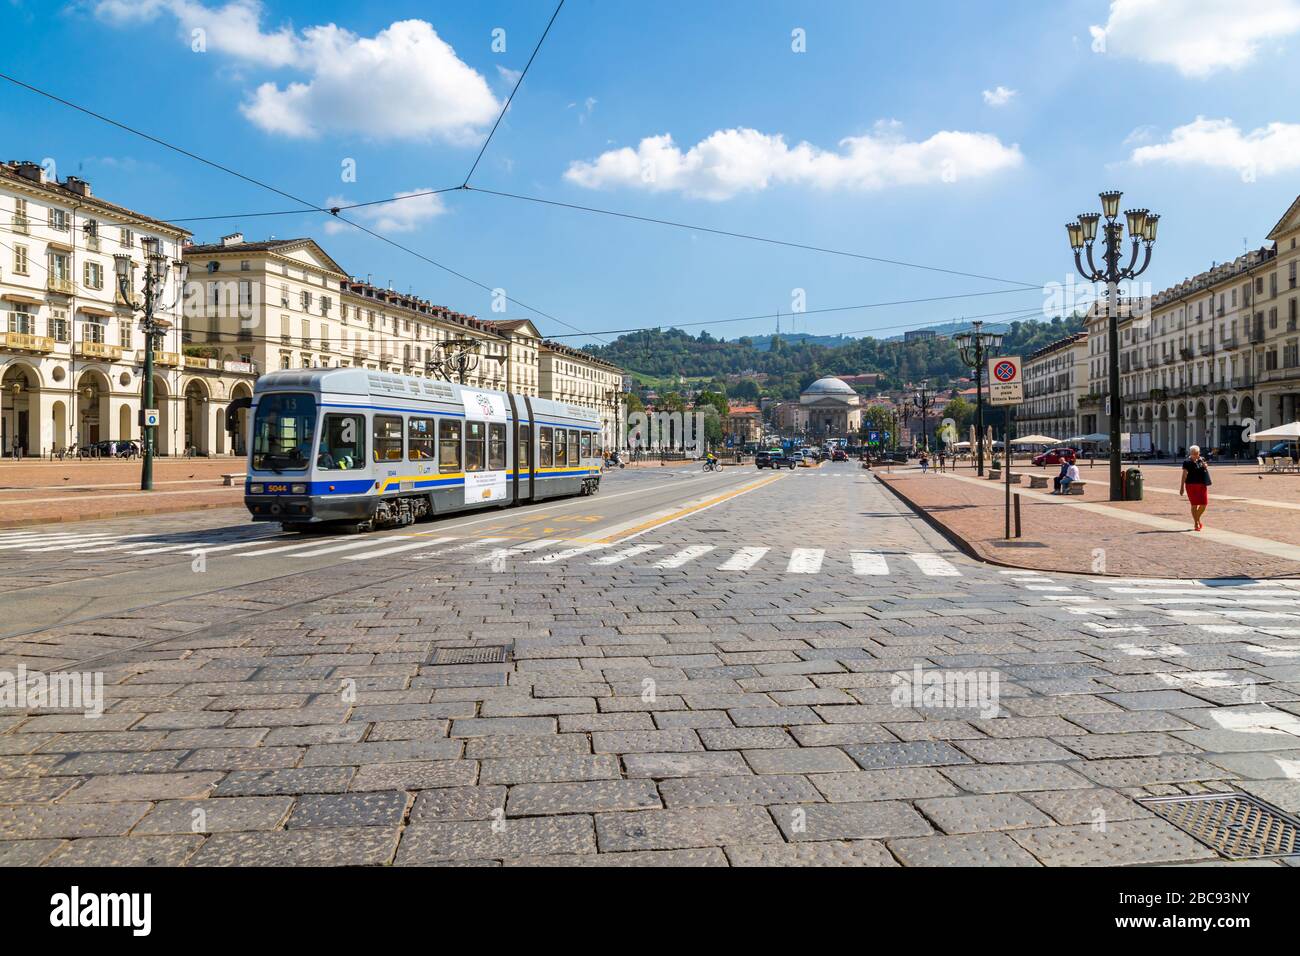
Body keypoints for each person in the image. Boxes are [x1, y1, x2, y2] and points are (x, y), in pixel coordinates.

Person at [1180, 444, 1212, 531]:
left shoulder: (1202, 460)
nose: (1196, 455)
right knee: (1194, 505)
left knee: (1204, 504)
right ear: (1190, 453)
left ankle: (1197, 519)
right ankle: (1196, 523)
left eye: (1197, 453)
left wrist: (1205, 466)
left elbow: (1204, 471)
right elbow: (1184, 475)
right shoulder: (1187, 462)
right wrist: (1182, 487)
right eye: (1194, 453)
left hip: (1202, 485)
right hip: (1191, 486)